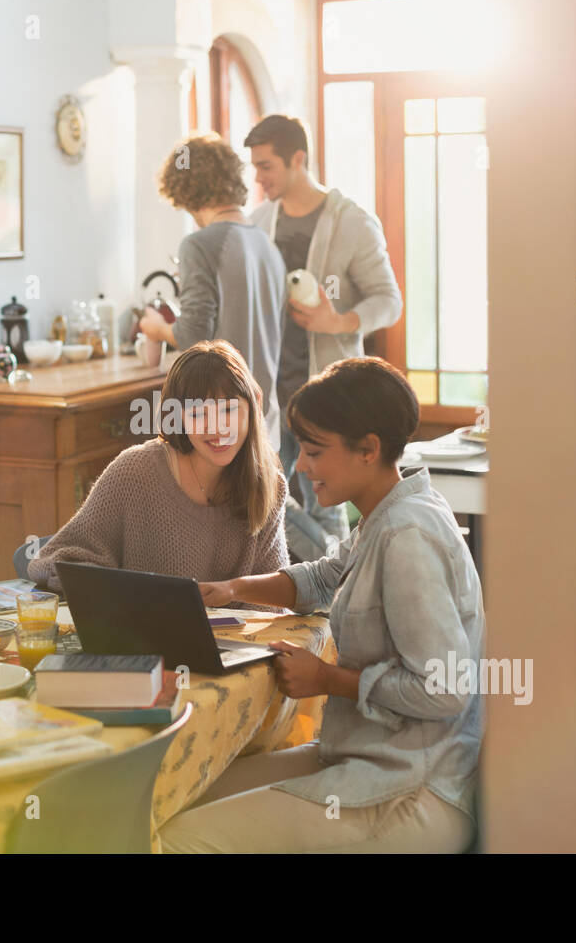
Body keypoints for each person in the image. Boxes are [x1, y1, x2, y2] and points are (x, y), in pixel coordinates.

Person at [158, 357, 484, 853]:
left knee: (182, 840)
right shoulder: (390, 509)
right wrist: (233, 588)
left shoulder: (408, 536)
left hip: (411, 788)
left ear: (368, 450)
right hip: (364, 757)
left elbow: (444, 690)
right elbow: (327, 575)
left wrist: (327, 679)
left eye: (313, 451)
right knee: (174, 796)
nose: (300, 466)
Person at [244, 115, 403, 561]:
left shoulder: (352, 222)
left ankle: (334, 599)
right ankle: (335, 574)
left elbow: (389, 301)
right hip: (269, 394)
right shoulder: (257, 224)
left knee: (327, 502)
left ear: (298, 159)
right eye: (254, 167)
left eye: (267, 166)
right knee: (263, 498)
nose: (258, 177)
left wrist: (340, 321)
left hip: (326, 394)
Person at [27, 341, 287, 598]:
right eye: (198, 414)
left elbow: (275, 599)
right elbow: (53, 561)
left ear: (255, 403)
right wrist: (122, 596)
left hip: (239, 640)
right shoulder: (133, 472)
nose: (217, 428)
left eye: (229, 410)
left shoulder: (269, 486)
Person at [139, 133, 285, 452]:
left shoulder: (198, 244)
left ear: (185, 192)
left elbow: (194, 336)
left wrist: (156, 328)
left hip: (218, 419)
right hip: (265, 417)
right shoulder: (266, 244)